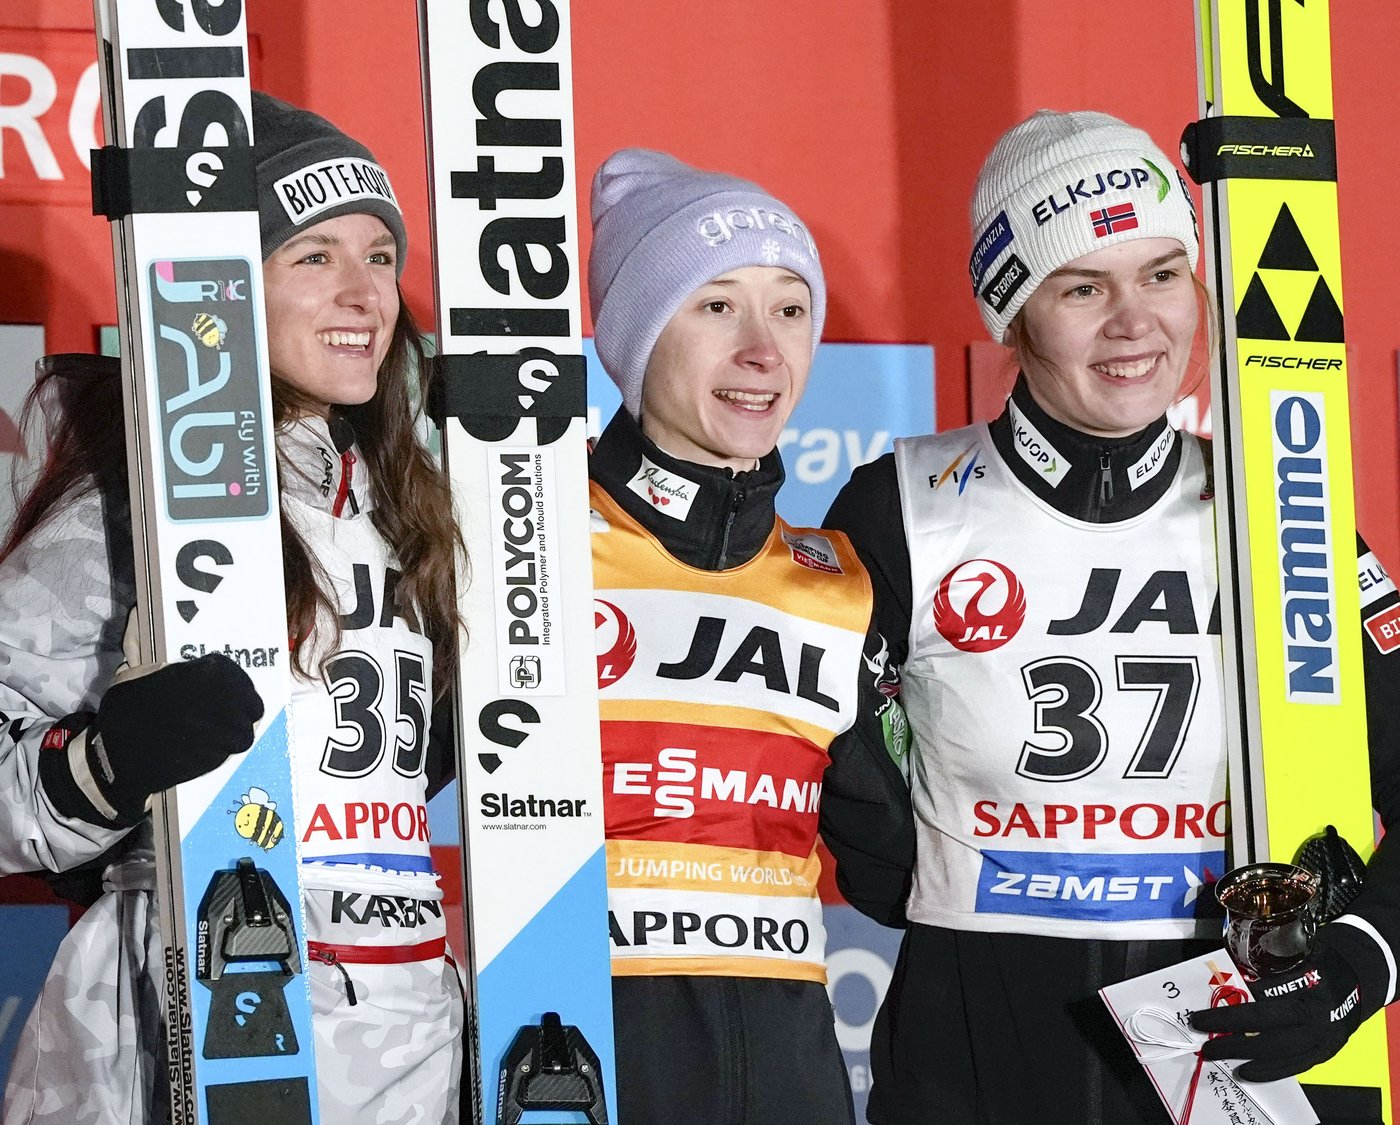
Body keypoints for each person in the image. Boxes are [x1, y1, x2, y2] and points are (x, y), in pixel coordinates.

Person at [819, 109, 1400, 1123]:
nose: (1133, 321)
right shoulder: (899, 506)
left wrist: (1355, 960)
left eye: (1161, 274)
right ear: (1011, 314)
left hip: (1232, 1054)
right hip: (978, 1061)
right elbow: (834, 779)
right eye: (1082, 286)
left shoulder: (1279, 508)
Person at [0, 92, 464, 1125]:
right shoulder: (133, 509)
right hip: (180, 1029)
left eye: (380, 255)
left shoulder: (414, 516)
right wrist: (104, 765)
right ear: (224, 289)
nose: (365, 292)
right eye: (313, 257)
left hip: (403, 1042)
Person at [586, 149, 908, 1125]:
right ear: (638, 337)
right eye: (716, 306)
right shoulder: (534, 557)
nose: (762, 351)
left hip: (793, 1087)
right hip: (572, 1072)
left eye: (789, 309)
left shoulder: (838, 585)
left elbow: (902, 875)